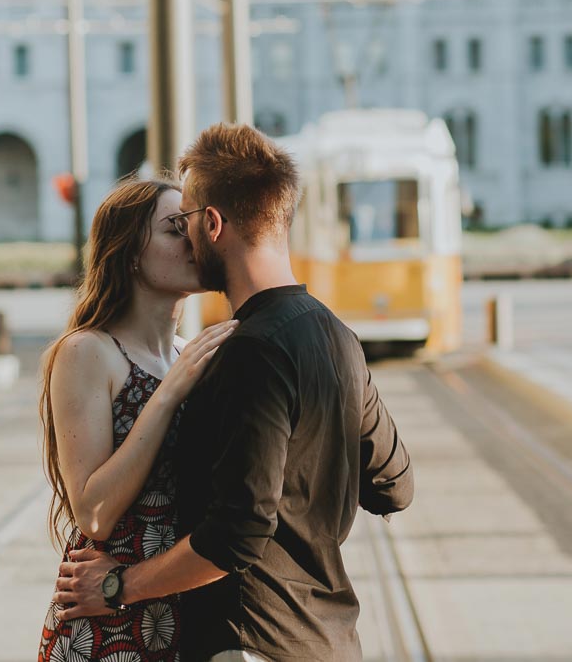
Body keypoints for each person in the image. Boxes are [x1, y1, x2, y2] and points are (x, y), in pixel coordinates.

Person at [54, 124, 415, 662]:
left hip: (250, 639)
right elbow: (393, 486)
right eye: (172, 227)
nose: (187, 238)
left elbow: (237, 531)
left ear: (213, 224)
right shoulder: (338, 336)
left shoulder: (246, 351)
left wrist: (118, 586)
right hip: (325, 637)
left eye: (186, 221)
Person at [38, 177, 240, 662]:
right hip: (108, 621)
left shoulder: (188, 354)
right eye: (174, 230)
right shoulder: (89, 351)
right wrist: (168, 393)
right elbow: (94, 513)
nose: (194, 242)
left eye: (194, 227)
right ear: (129, 253)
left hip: (180, 608)